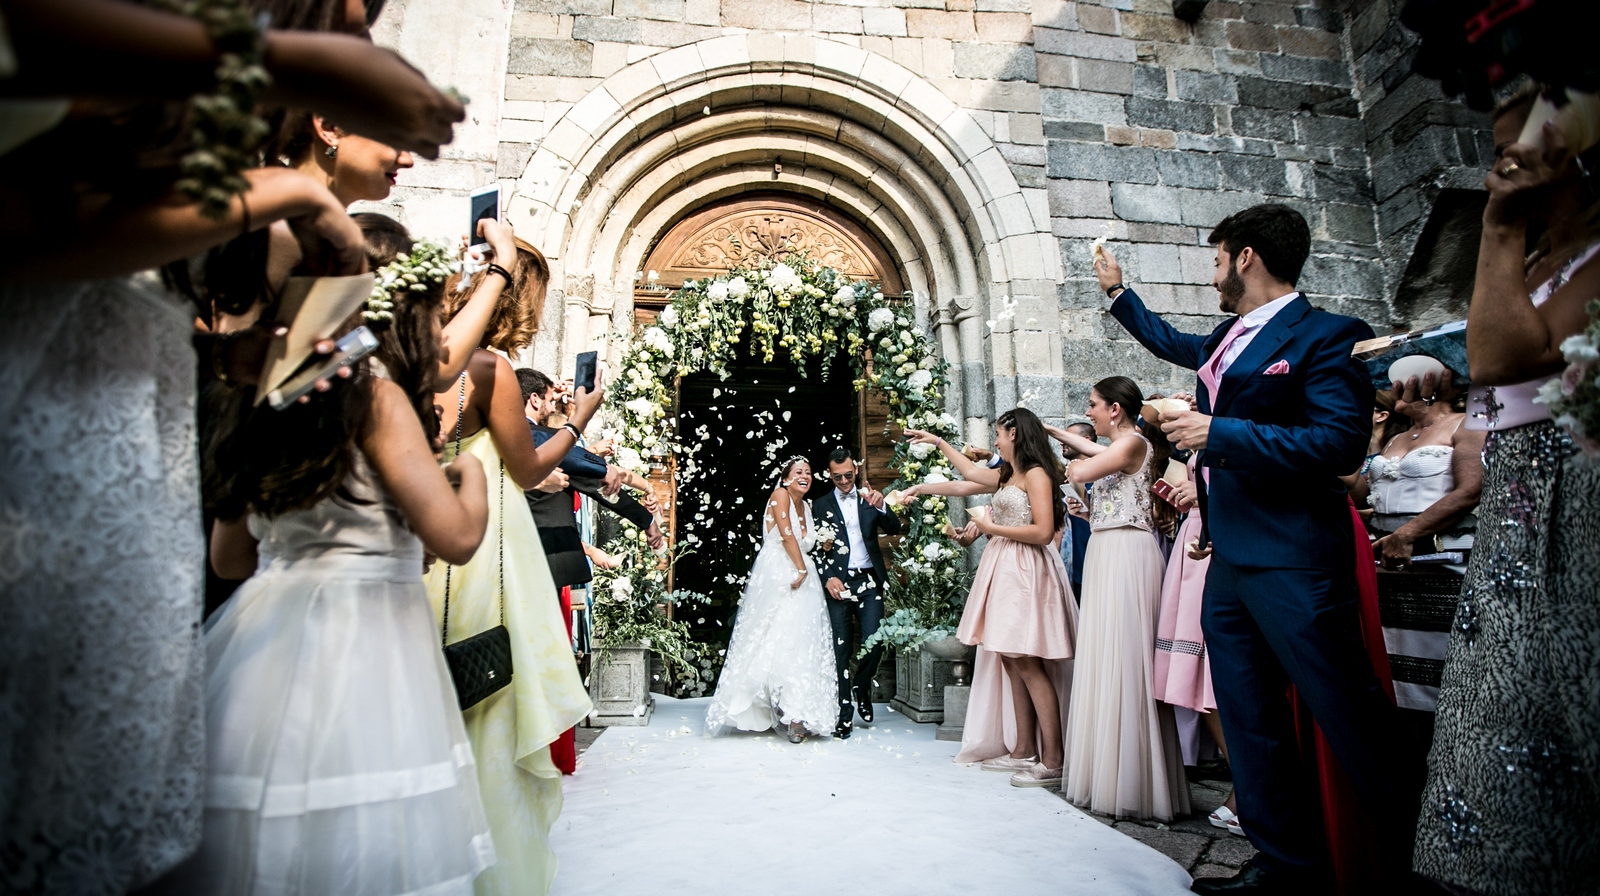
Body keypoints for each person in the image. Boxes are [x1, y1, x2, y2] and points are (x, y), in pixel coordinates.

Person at [0, 2, 462, 888]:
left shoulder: (255, 204)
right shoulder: (236, 179)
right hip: (57, 462)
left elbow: (276, 379)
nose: (362, 51)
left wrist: (280, 339)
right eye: (353, 28)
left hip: (137, 474)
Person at [1099, 203, 1420, 891]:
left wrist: (1220, 436)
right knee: (1250, 719)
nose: (1215, 273)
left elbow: (1337, 444)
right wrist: (1119, 295)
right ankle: (1285, 865)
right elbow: (1172, 342)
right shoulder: (1226, 338)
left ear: (1246, 257)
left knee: (1346, 713)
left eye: (1217, 260)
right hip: (1229, 559)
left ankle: (1412, 864)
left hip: (1295, 554)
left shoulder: (1328, 337)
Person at [164, 258, 495, 894]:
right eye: (435, 313)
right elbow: (455, 537)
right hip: (367, 632)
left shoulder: (257, 393)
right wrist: (472, 478)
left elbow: (229, 560)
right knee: (367, 825)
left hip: (260, 640)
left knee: (261, 825)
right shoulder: (375, 395)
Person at [1414, 87, 1600, 896]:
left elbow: (1499, 359)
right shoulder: (1531, 262)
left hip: (1581, 507)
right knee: (1499, 746)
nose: (1503, 160)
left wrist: (1493, 223)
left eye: (1521, 132)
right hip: (1516, 531)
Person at [425, 258, 602, 896]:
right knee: (493, 691)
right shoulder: (489, 367)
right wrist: (578, 418)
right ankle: (488, 854)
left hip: (430, 537)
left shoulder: (421, 357)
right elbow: (527, 469)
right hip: (486, 542)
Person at [901, 409, 1077, 788]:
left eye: (998, 434)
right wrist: (929, 467)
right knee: (1011, 661)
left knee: (1028, 662)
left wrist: (989, 527)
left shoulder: (1036, 474)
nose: (994, 442)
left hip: (1027, 571)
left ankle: (1054, 759)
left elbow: (1044, 531)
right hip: (1004, 568)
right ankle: (1023, 750)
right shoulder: (1007, 475)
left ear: (1014, 433)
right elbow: (965, 480)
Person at [1053, 377, 1188, 821]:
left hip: (1129, 554)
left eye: (1093, 405)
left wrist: (1064, 453)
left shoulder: (1132, 445)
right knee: (1106, 654)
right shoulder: (1122, 447)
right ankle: (1107, 771)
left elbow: (1079, 469)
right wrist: (1053, 433)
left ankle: (1133, 779)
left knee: (1127, 657)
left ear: (1114, 409)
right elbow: (1090, 453)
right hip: (1107, 550)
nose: (1088, 412)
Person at [1142, 394, 1237, 832]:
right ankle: (1245, 785)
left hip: (1217, 544)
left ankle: (1246, 790)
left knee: (1217, 677)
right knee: (1196, 681)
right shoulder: (1196, 451)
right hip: (1194, 541)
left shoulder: (1228, 440)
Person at [705, 457, 839, 743]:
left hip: (805, 577)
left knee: (802, 642)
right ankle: (783, 709)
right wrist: (800, 567)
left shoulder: (808, 505)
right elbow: (787, 535)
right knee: (775, 638)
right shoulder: (780, 495)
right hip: (783, 574)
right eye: (798, 472)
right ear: (786, 477)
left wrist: (820, 545)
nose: (805, 475)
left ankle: (797, 712)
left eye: (809, 472)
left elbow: (804, 540)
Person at [811, 446, 902, 736]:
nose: (843, 481)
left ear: (857, 470)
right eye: (837, 477)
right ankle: (845, 712)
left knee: (875, 641)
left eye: (848, 475)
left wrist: (880, 505)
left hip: (869, 581)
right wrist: (827, 577)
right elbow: (811, 548)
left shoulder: (868, 498)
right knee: (840, 649)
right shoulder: (820, 504)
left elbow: (895, 526)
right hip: (838, 583)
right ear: (829, 474)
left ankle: (862, 688)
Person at [1046, 421, 1097, 597]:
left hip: (1094, 559)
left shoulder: (1102, 475)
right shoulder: (1063, 477)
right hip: (1070, 561)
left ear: (1086, 440)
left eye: (1067, 437)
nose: (1061, 442)